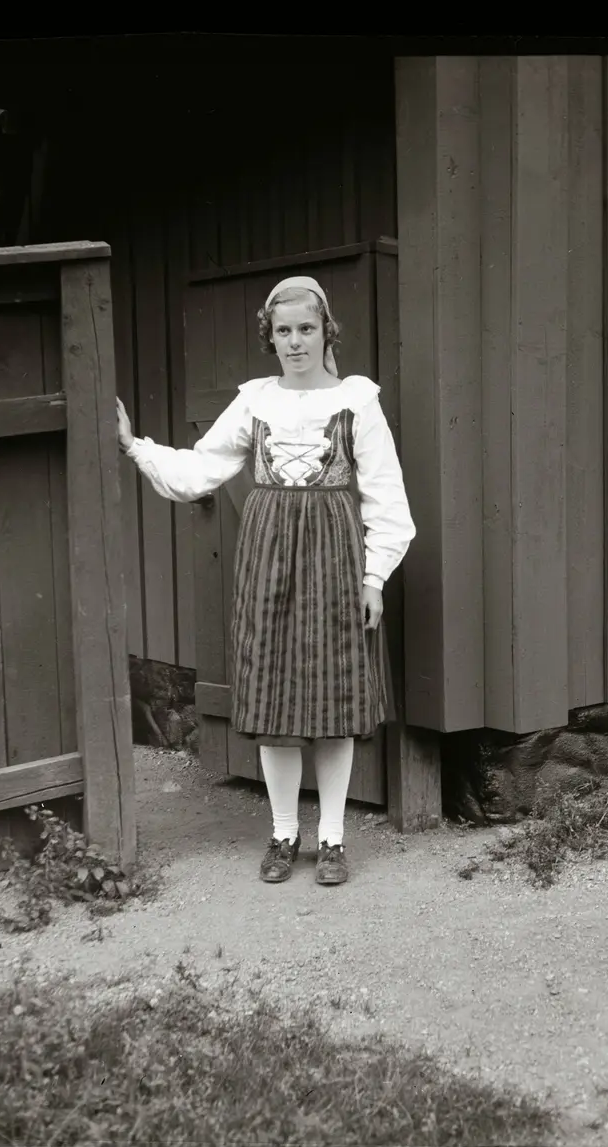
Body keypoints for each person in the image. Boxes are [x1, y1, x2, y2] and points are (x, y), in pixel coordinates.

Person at [116, 276, 415, 885]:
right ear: (269, 338)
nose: (295, 341)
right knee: (276, 698)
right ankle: (283, 832)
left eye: (306, 328)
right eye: (283, 331)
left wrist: (374, 577)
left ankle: (332, 838)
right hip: (268, 561)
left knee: (333, 699)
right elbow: (200, 469)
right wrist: (134, 447)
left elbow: (387, 498)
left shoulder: (358, 402)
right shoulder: (254, 402)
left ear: (326, 331)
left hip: (334, 561)